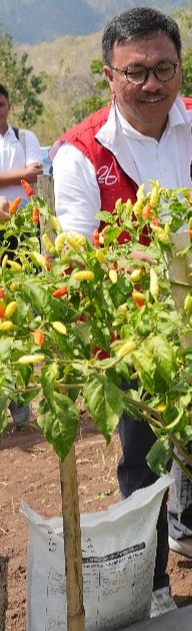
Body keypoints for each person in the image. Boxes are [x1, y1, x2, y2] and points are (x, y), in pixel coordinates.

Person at [51, 6, 192, 617]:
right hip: (134, 334)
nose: (153, 84)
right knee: (142, 453)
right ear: (109, 76)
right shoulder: (80, 152)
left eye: (165, 68)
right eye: (136, 72)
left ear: (180, 67)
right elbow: (80, 256)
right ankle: (154, 581)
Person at [0, 82, 43, 424]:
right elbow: (25, 173)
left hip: (24, 226)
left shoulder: (23, 136)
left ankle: (21, 401)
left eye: (1, 104)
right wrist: (18, 177)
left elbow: (36, 173)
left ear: (9, 106)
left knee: (24, 301)